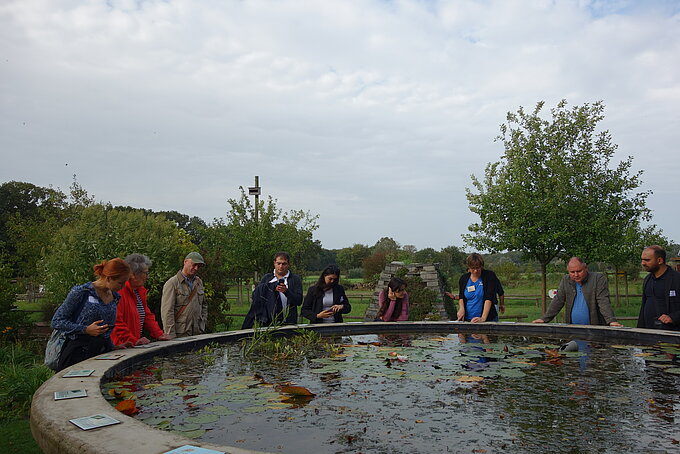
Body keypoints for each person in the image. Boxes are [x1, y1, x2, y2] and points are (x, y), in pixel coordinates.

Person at [51, 258, 131, 371]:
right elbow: (57, 321)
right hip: (76, 354)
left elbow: (105, 330)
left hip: (101, 354)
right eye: (120, 283)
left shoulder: (115, 297)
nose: (123, 287)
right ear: (109, 278)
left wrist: (113, 347)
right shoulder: (81, 292)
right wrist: (85, 329)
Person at [533, 257, 622, 326]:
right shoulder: (565, 280)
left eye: (579, 271)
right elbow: (558, 301)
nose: (576, 275)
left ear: (585, 268)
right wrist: (544, 319)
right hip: (573, 330)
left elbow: (603, 301)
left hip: (595, 329)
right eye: (572, 272)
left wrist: (611, 321)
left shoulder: (598, 279)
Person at [111, 254, 172, 346]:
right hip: (119, 346)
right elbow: (117, 322)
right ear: (133, 275)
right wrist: (133, 341)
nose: (147, 277)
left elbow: (147, 316)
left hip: (131, 345)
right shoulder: (120, 292)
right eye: (146, 273)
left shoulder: (139, 292)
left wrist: (159, 334)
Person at [241, 252, 303, 329]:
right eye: (278, 263)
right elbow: (257, 297)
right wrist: (271, 288)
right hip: (268, 323)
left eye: (284, 264)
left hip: (289, 322)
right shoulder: (267, 278)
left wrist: (286, 291)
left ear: (288, 264)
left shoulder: (295, 279)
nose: (281, 266)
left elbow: (299, 301)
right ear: (274, 263)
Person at [161, 252, 207, 338]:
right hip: (180, 334)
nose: (196, 268)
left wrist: (202, 324)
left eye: (199, 266)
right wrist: (170, 334)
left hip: (197, 333)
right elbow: (167, 312)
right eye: (194, 265)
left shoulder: (198, 282)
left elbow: (204, 305)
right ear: (185, 262)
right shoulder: (172, 283)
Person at [447, 253, 501, 323]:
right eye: (473, 268)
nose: (475, 271)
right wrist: (461, 309)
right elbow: (462, 297)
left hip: (487, 319)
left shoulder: (489, 276)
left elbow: (489, 298)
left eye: (478, 268)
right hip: (467, 319)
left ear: (481, 266)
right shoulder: (464, 278)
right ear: (469, 267)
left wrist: (483, 318)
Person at [638, 245, 680, 330]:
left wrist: (673, 317)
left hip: (672, 335)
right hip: (649, 334)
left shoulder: (677, 279)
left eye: (647, 260)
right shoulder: (647, 280)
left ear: (660, 260)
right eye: (642, 259)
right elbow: (643, 307)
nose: (643, 263)